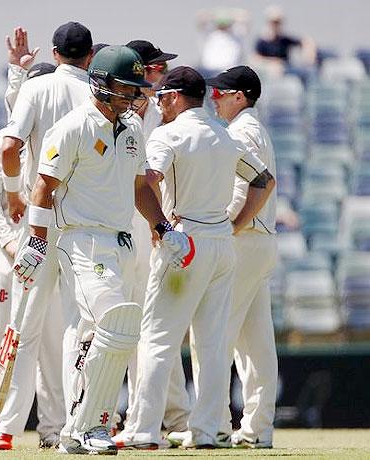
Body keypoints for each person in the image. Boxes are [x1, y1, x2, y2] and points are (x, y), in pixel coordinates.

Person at [16, 45, 192, 454]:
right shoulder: (72, 127)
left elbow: (138, 189)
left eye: (136, 88)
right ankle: (91, 425)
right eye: (125, 87)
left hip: (120, 243)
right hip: (81, 241)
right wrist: (38, 242)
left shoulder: (130, 131)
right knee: (117, 324)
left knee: (88, 334)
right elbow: (43, 188)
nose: (133, 96)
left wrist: (162, 227)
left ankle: (75, 430)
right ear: (99, 82)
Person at [124, 66, 275, 449]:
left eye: (161, 98)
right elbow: (264, 181)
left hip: (184, 245)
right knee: (210, 342)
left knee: (158, 339)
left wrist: (160, 226)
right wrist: (234, 224)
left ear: (174, 96)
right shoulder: (225, 136)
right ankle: (209, 431)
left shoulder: (168, 134)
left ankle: (143, 431)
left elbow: (146, 180)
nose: (159, 104)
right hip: (221, 245)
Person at [0, 21, 95, 450]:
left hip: (38, 223)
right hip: (83, 228)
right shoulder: (98, 94)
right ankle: (78, 422)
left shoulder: (37, 89)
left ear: (54, 54)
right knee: (78, 326)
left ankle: (6, 428)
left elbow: (8, 148)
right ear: (90, 56)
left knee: (24, 325)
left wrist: (14, 194)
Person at [0, 26, 60, 450]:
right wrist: (11, 244)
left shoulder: (62, 139)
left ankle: (53, 428)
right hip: (13, 255)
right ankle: (1, 426)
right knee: (7, 339)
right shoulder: (9, 140)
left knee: (52, 342)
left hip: (52, 249)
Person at [114, 40, 190, 449]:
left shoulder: (155, 118)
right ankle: (137, 415)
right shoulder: (125, 114)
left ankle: (169, 415)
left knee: (157, 327)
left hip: (151, 228)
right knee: (139, 327)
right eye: (157, 68)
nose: (161, 76)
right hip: (132, 228)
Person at [207, 65, 278, 449]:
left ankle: (213, 424)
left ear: (239, 95)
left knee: (215, 335)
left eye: (220, 93)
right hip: (259, 243)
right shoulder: (254, 128)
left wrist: (229, 227)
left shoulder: (242, 132)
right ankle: (257, 429)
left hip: (244, 240)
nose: (213, 98)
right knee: (255, 343)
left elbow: (252, 186)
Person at [254, 5, 316, 75]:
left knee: (307, 72)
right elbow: (256, 59)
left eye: (279, 22)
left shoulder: (284, 40)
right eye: (274, 22)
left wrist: (308, 52)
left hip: (287, 69)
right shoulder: (262, 41)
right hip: (270, 72)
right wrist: (272, 62)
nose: (276, 25)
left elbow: (306, 41)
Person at [197, 8, 250, 76]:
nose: (223, 26)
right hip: (208, 70)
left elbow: (245, 18)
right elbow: (201, 18)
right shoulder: (210, 32)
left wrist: (231, 17)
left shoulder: (236, 33)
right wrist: (214, 16)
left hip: (229, 71)